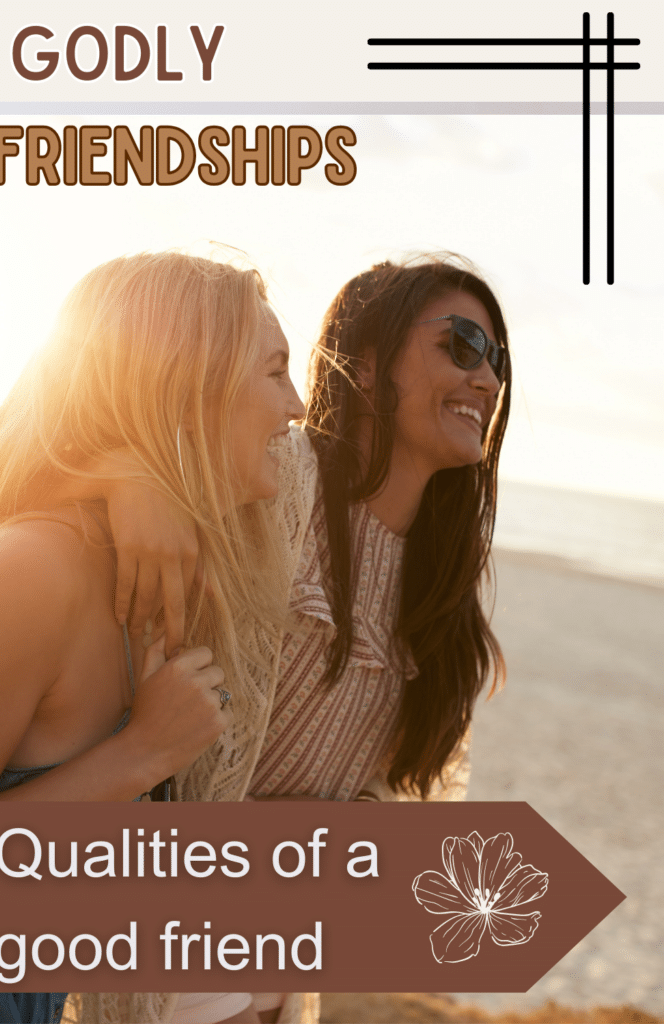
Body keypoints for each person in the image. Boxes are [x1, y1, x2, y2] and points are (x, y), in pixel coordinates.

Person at [69, 254, 510, 1024]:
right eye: (463, 345)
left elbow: (403, 811)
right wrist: (122, 477)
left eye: (495, 361)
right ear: (366, 364)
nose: (486, 379)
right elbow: (64, 439)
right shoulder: (273, 475)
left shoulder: (443, 588)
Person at [0, 250, 305, 1024]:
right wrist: (141, 754)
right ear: (186, 389)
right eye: (274, 371)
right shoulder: (35, 569)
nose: (297, 406)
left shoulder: (140, 577)